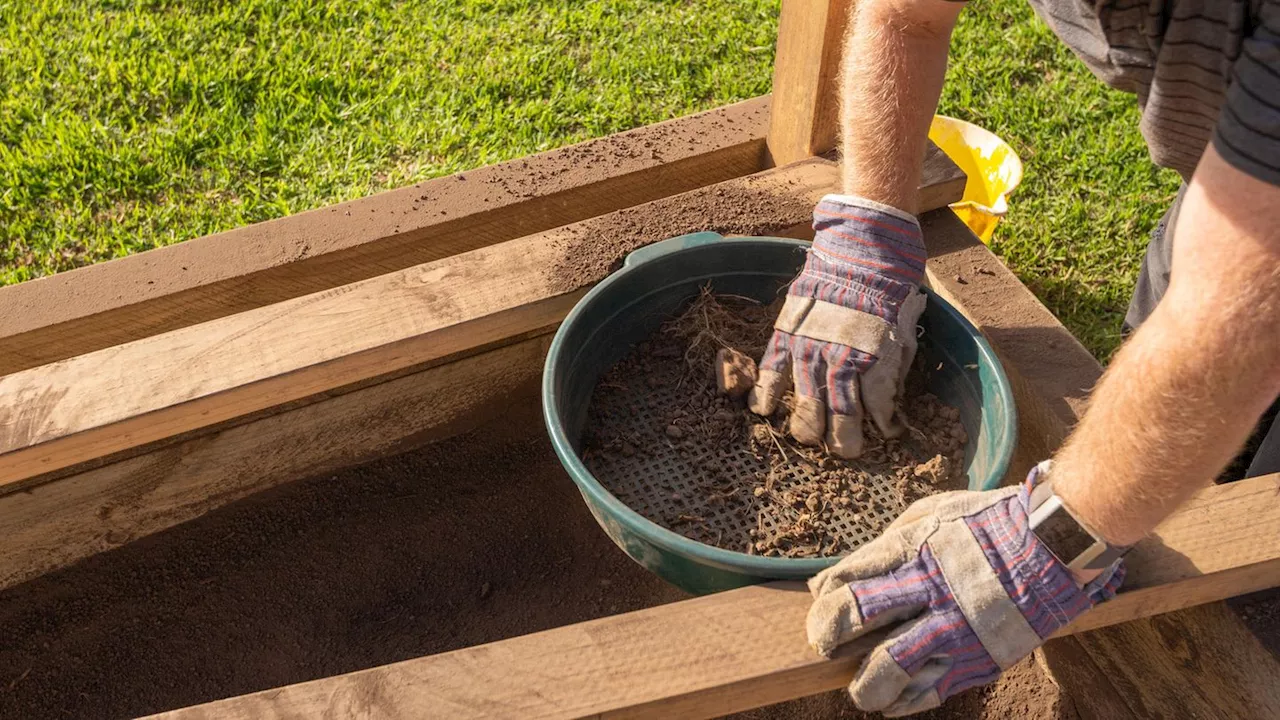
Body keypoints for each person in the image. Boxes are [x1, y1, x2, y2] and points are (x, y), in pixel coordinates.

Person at [748, 0, 1280, 714]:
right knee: (1161, 373)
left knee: (1256, 576)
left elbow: (1242, 317)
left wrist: (1055, 540)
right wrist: (869, 230)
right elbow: (906, 17)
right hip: (1246, 171)